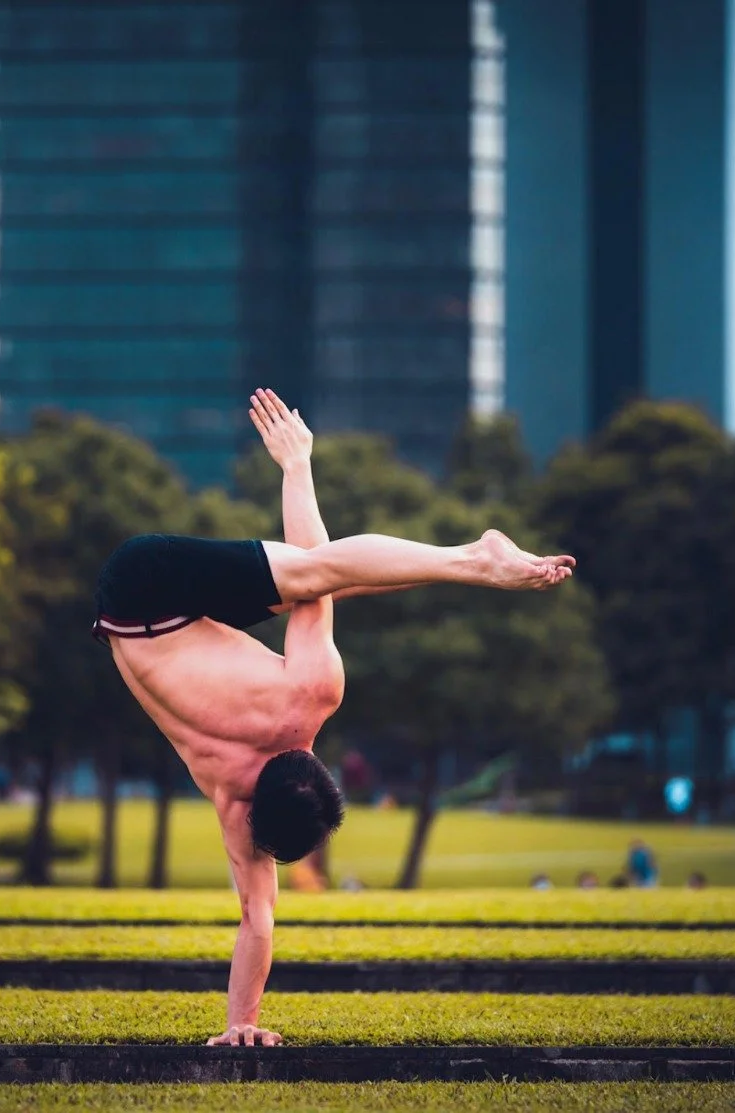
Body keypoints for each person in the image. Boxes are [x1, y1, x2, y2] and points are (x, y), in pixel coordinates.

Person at [95, 389, 575, 1046]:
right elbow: (256, 920)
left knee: (317, 578)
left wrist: (298, 466)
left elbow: (316, 570)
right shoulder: (236, 802)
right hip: (135, 613)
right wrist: (242, 1024)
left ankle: (474, 560)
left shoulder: (310, 697)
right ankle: (473, 560)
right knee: (317, 577)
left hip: (147, 584)